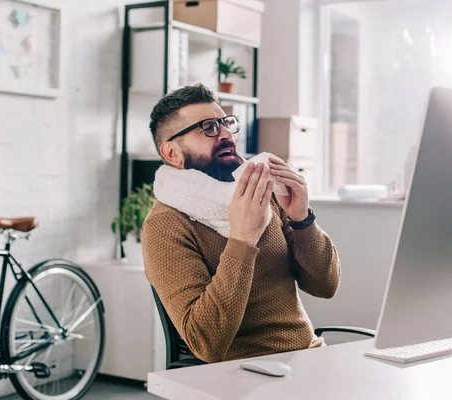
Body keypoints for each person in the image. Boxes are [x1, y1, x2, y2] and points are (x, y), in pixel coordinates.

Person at [142, 83, 342, 363]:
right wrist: (242, 239)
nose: (225, 134)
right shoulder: (166, 224)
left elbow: (325, 286)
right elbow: (206, 343)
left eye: (226, 123)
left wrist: (301, 218)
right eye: (209, 127)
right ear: (172, 153)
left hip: (305, 359)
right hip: (240, 373)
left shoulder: (260, 194)